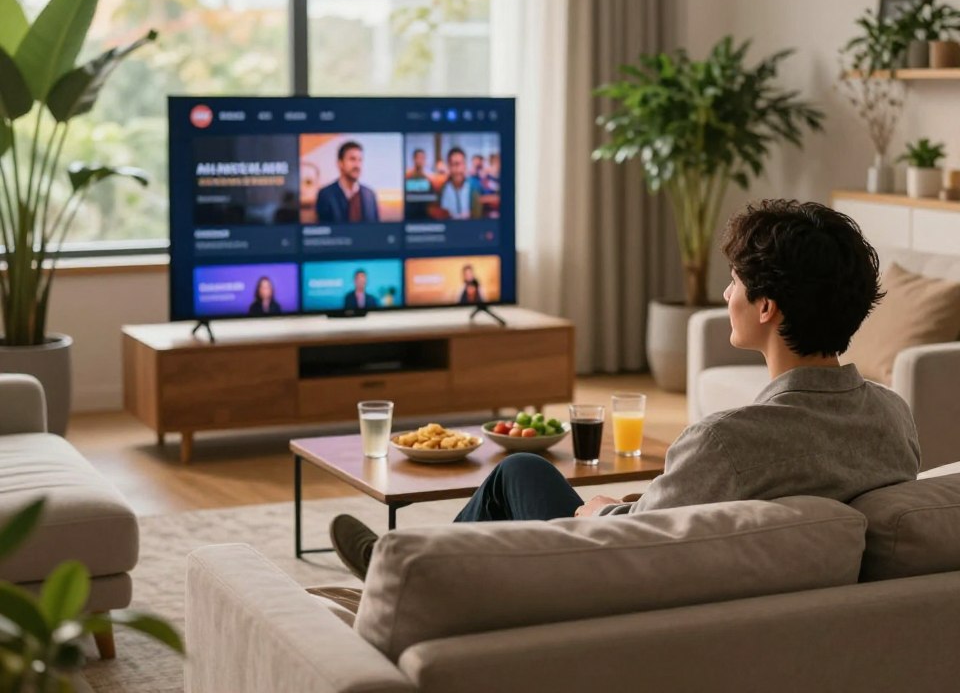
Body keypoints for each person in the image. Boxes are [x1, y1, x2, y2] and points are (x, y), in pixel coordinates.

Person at [330, 199, 921, 580]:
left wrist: (603, 510)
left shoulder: (726, 441)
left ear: (766, 307)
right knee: (528, 471)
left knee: (514, 475)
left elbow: (636, 541)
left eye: (735, 281)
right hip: (761, 588)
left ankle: (400, 573)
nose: (725, 295)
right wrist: (636, 502)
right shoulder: (893, 417)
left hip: (609, 581)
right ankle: (406, 564)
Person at [315, 141, 379, 223]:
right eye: (352, 159)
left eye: (360, 160)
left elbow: (376, 228)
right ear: (340, 163)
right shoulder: (326, 195)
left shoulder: (370, 195)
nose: (357, 165)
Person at [438, 147, 481, 220]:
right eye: (454, 164)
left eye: (461, 164)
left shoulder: (474, 187)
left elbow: (478, 215)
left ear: (465, 165)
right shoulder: (442, 189)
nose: (458, 170)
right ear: (449, 166)